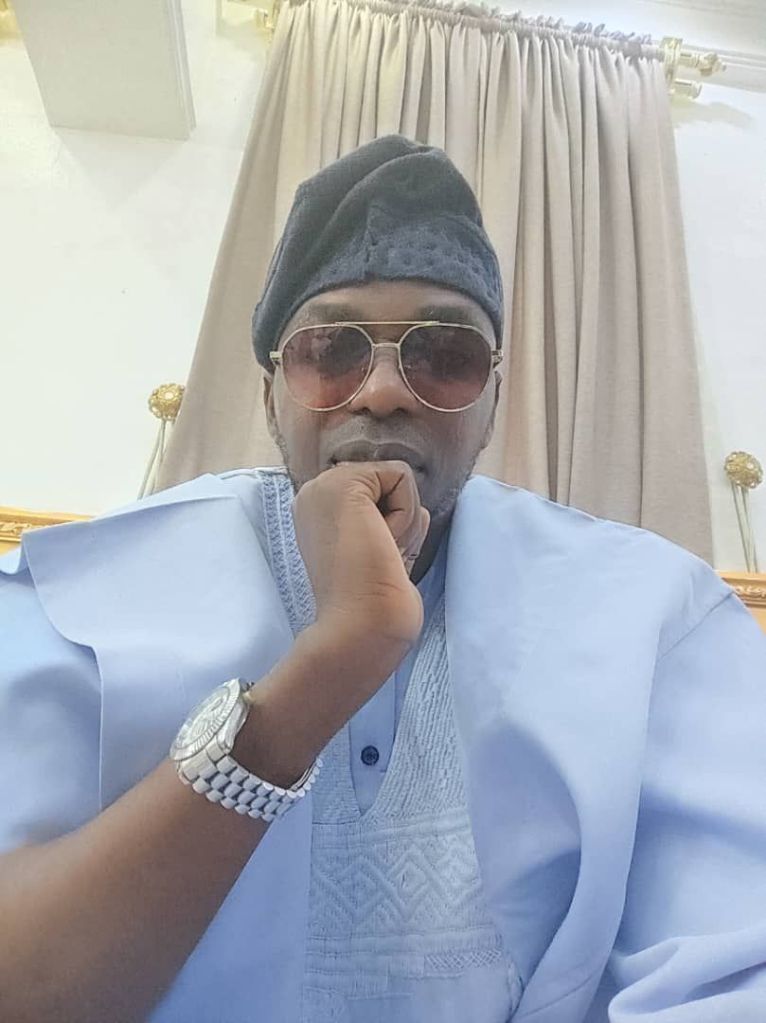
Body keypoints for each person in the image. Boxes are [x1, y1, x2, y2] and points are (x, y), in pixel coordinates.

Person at [1, 135, 765, 1023]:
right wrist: (331, 663)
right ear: (272, 393)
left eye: (444, 353)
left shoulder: (654, 614)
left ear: (491, 399)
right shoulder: (81, 597)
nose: (385, 390)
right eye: (332, 349)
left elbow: (733, 973)